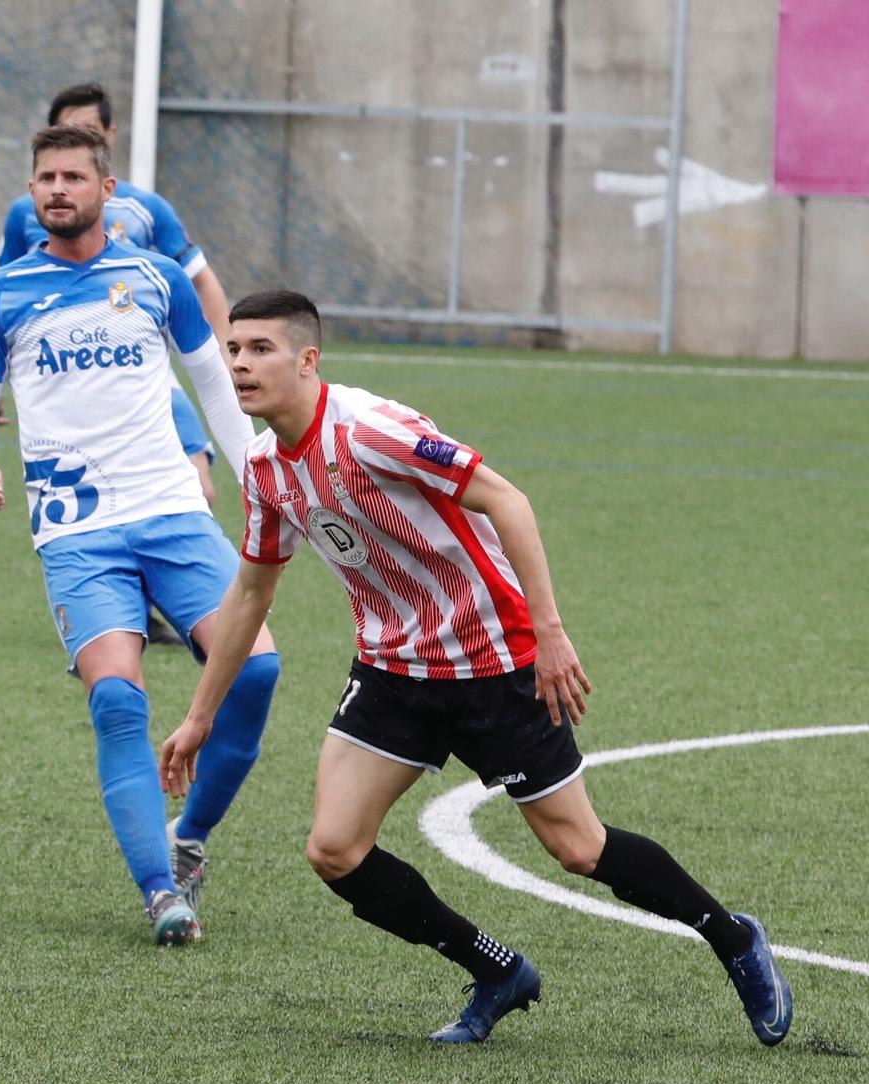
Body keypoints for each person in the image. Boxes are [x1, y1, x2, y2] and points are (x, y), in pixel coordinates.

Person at [160, 290, 793, 1045]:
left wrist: (549, 633)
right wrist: (200, 714)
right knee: (334, 849)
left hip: (494, 663)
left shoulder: (373, 432)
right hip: (393, 672)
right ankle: (496, 970)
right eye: (233, 350)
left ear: (307, 359)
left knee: (578, 848)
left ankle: (731, 936)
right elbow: (251, 592)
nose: (240, 364)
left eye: (260, 349)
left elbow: (507, 500)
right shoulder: (265, 468)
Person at [0, 125, 281, 945]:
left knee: (258, 670)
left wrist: (266, 483)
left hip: (173, 510)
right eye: (44, 178)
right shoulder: (2, 292)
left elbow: (215, 387)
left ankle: (190, 834)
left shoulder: (155, 277)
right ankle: (159, 890)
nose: (56, 189)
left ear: (108, 190)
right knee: (115, 699)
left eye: (72, 176)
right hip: (75, 528)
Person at [0, 82, 229, 648]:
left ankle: (178, 591)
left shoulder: (148, 210)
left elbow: (201, 279)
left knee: (199, 487)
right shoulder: (24, 216)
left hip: (151, 379)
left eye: (90, 131)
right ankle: (124, 603)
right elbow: (3, 298)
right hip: (70, 378)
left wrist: (229, 350)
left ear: (109, 139)